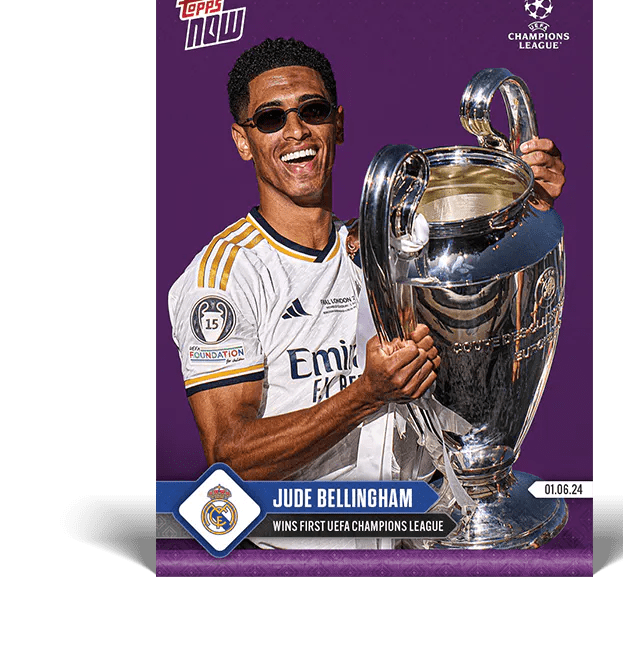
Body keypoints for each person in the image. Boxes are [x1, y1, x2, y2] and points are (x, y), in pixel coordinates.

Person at [168, 38, 566, 547]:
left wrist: (522, 198)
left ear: (337, 123)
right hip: (298, 560)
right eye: (270, 118)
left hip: (416, 544)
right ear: (243, 140)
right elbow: (230, 457)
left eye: (312, 111)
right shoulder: (225, 276)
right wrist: (365, 396)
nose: (296, 131)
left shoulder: (384, 246)